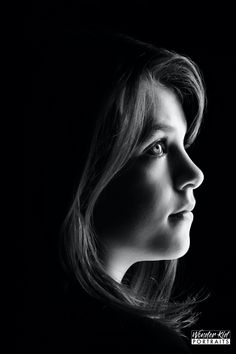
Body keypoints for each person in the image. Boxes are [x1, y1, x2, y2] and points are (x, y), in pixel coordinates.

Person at [59, 33, 207, 353]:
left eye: (184, 145)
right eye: (157, 147)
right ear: (87, 168)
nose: (194, 175)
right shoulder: (143, 344)